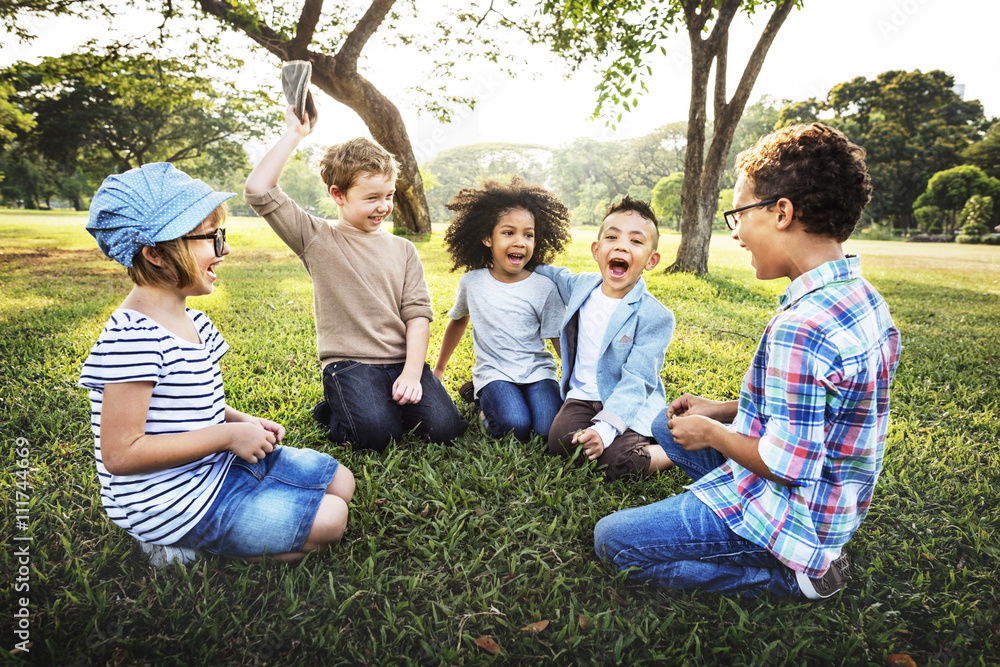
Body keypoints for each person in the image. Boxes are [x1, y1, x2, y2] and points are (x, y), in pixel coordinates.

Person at [594, 123, 902, 599]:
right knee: (664, 425)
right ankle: (725, 508)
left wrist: (713, 433)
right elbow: (820, 410)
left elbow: (790, 466)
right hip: (833, 502)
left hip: (794, 514)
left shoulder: (803, 327)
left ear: (781, 212)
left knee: (613, 541)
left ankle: (789, 577)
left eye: (737, 215)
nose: (735, 233)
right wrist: (719, 410)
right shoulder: (861, 298)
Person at [80, 162, 354, 566]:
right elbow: (122, 454)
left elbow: (187, 406)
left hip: (213, 468)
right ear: (155, 253)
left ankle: (232, 525)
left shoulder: (194, 321)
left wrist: (240, 421)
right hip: (171, 502)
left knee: (342, 483)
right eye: (212, 238)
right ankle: (189, 550)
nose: (225, 250)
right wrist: (226, 437)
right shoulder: (134, 338)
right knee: (332, 520)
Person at [244, 105, 468, 453]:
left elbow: (418, 316)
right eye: (372, 198)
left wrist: (411, 373)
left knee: (445, 429)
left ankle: (382, 403)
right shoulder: (316, 238)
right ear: (338, 195)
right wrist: (295, 134)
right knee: (376, 437)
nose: (383, 206)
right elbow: (258, 190)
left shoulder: (404, 249)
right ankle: (336, 407)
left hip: (400, 361)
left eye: (389, 195)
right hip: (350, 365)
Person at [533, 196, 675, 482]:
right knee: (560, 443)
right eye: (612, 237)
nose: (622, 246)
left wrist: (604, 429)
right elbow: (549, 272)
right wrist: (516, 259)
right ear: (597, 251)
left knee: (617, 462)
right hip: (582, 398)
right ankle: (604, 439)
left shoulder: (655, 316)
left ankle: (671, 449)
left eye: (636, 241)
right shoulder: (581, 286)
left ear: (651, 260)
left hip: (627, 402)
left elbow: (638, 380)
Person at [432, 177, 571, 442]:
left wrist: (577, 381)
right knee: (514, 426)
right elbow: (458, 321)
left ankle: (489, 398)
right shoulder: (472, 283)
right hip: (494, 372)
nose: (520, 242)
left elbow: (557, 337)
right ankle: (484, 402)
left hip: (538, 372)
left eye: (528, 235)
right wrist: (439, 369)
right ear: (487, 238)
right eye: (508, 233)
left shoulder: (544, 287)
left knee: (545, 430)